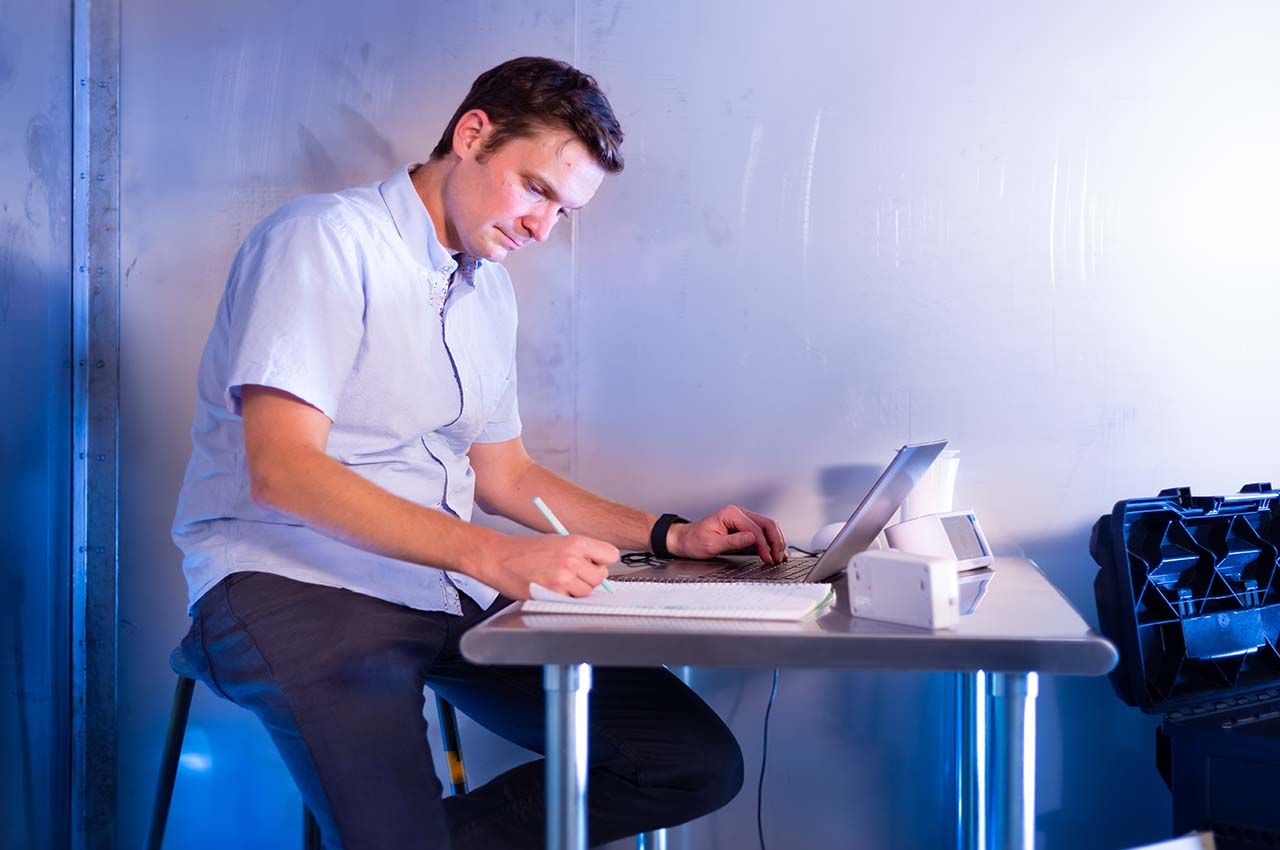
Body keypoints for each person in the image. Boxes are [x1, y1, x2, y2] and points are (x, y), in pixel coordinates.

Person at [172, 56, 789, 850]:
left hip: (434, 587)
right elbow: (283, 472)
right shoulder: (323, 240)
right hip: (289, 581)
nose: (541, 228)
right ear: (473, 135)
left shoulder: (485, 290)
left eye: (563, 212)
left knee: (693, 762)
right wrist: (493, 559)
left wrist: (673, 535)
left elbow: (506, 474)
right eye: (536, 189)